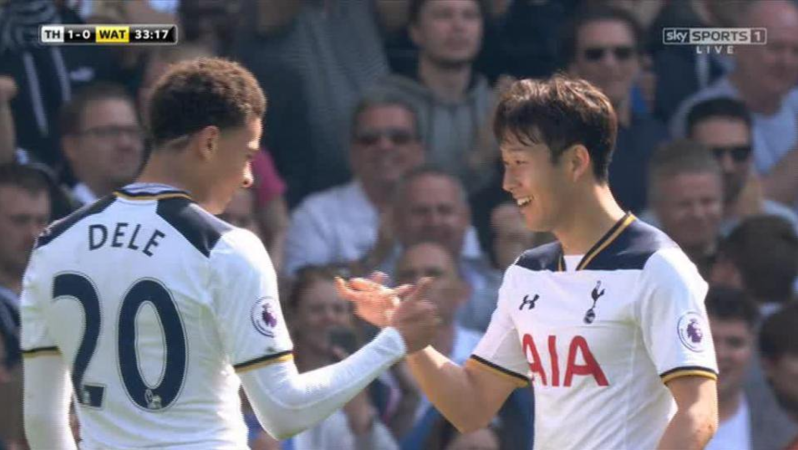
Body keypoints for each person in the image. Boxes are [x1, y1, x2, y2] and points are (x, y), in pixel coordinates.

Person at [20, 57, 439, 449]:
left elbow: (42, 419)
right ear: (209, 142)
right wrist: (394, 341)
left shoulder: (54, 243)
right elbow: (283, 410)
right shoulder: (225, 247)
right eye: (248, 154)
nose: (248, 177)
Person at [338, 75, 719, 449]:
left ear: (575, 162)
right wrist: (410, 339)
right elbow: (471, 408)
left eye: (519, 162)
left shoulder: (657, 267)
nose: (507, 181)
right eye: (504, 163)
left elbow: (699, 413)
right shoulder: (527, 274)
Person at [686, 97, 798, 234]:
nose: (728, 167)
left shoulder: (784, 227)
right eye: (714, 154)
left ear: (751, 155)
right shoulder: (657, 232)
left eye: (739, 153)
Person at [704, 286, 796, 450]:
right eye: (707, 341)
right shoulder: (649, 416)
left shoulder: (785, 435)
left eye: (735, 343)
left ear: (752, 350)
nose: (720, 354)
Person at [645, 139, 724, 277]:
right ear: (657, 208)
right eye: (684, 204)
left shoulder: (744, 263)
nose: (698, 214)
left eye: (707, 202)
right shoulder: (636, 273)